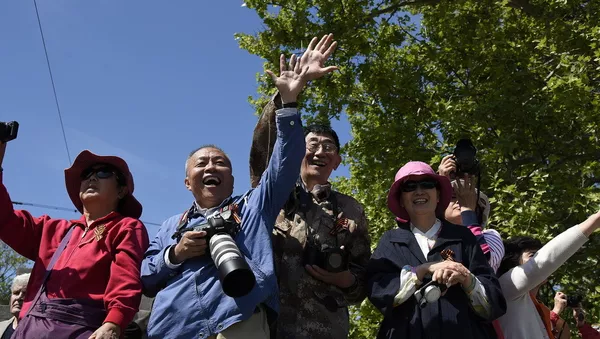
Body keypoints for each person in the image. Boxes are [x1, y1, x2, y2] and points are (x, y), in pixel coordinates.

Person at [140, 43, 309, 339]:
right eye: (201, 164)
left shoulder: (253, 207)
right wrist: (177, 253)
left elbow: (285, 163)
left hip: (238, 320)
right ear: (187, 182)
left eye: (220, 163)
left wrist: (289, 102)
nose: (211, 168)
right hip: (172, 328)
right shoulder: (170, 226)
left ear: (231, 180)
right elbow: (145, 275)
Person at [248, 34, 371, 339]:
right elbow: (264, 149)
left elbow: (363, 280)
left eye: (328, 147)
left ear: (337, 161)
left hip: (325, 329)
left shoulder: (351, 210)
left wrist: (345, 280)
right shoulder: (274, 193)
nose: (319, 151)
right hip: (268, 326)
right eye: (312, 144)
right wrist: (289, 95)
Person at [0, 142, 150, 339]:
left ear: (121, 191)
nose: (93, 177)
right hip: (29, 329)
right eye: (86, 175)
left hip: (81, 330)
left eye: (104, 173)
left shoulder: (126, 227)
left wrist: (114, 322)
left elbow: (126, 278)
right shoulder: (52, 229)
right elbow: (5, 220)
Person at [367, 161, 506, 339]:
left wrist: (466, 278)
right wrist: (422, 270)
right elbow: (378, 290)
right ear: (401, 199)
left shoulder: (463, 237)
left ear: (438, 194)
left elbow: (493, 301)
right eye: (410, 186)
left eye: (427, 184)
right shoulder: (390, 241)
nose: (419, 191)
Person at [496, 213, 600, 339]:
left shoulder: (539, 308)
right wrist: (595, 220)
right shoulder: (506, 285)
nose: (537, 260)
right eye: (532, 255)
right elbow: (546, 259)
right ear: (513, 264)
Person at [0, 273, 30, 339]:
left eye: (25, 293)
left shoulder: (40, 330)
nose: (19, 297)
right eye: (16, 293)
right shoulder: (1, 327)